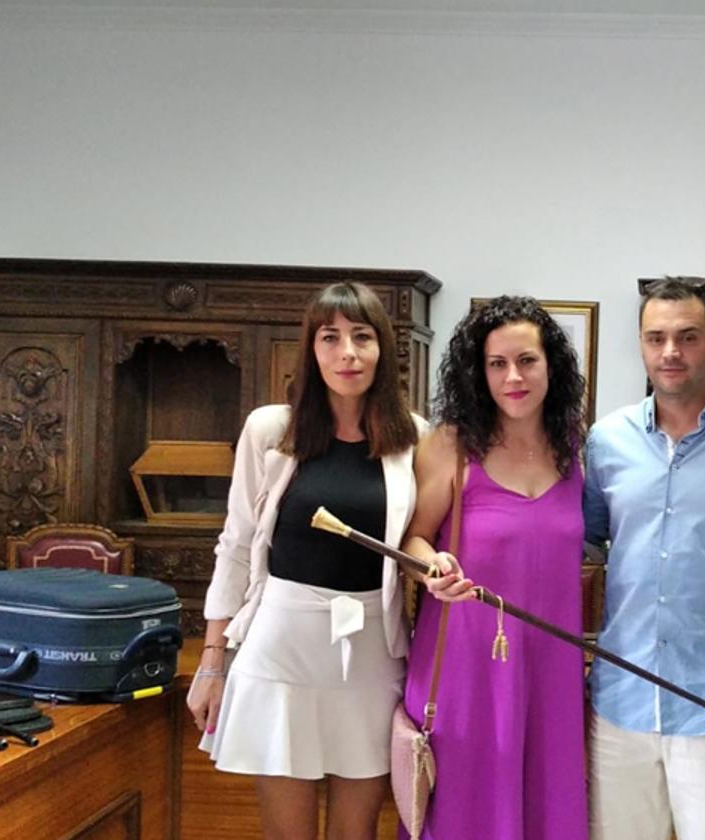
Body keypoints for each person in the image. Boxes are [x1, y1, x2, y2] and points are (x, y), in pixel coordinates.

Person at [187, 281, 424, 840]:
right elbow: (236, 545)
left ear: (383, 348)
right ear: (311, 349)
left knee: (356, 831)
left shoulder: (414, 438)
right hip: (281, 648)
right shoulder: (272, 429)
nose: (348, 353)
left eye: (362, 337)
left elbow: (421, 541)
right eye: (330, 338)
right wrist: (213, 662)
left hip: (371, 649)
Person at [583, 277, 705, 840]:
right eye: (656, 338)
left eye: (688, 337)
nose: (671, 352)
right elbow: (584, 543)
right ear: (641, 346)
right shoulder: (606, 440)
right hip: (621, 700)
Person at [400, 295, 589, 840]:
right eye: (497, 364)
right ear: (478, 373)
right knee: (465, 812)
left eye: (527, 361)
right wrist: (430, 565)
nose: (514, 377)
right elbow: (413, 538)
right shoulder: (449, 446)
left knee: (547, 807)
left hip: (552, 667)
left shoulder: (575, 448)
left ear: (551, 365)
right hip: (467, 667)